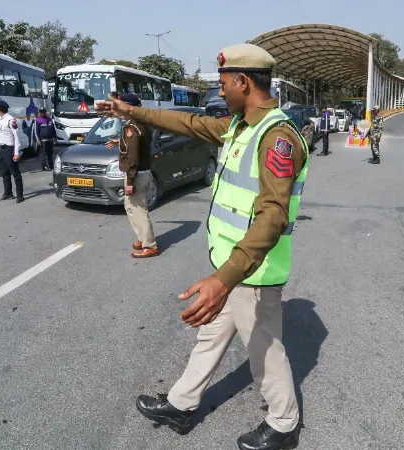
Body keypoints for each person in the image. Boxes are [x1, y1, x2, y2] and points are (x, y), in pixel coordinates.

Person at [97, 43, 308, 450]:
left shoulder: (276, 136)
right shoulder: (239, 125)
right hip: (232, 266)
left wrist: (223, 279)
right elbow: (188, 123)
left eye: (223, 84)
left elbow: (272, 217)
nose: (220, 91)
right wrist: (131, 112)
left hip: (253, 270)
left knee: (264, 348)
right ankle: (182, 404)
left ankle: (284, 424)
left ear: (243, 82)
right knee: (211, 336)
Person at [105, 93, 159, 258]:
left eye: (120, 105)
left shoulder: (131, 127)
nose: (118, 108)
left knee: (138, 210)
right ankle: (143, 239)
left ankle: (149, 245)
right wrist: (119, 142)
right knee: (131, 207)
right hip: (142, 172)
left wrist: (130, 181)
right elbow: (138, 145)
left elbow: (132, 157)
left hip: (137, 175)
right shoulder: (140, 122)